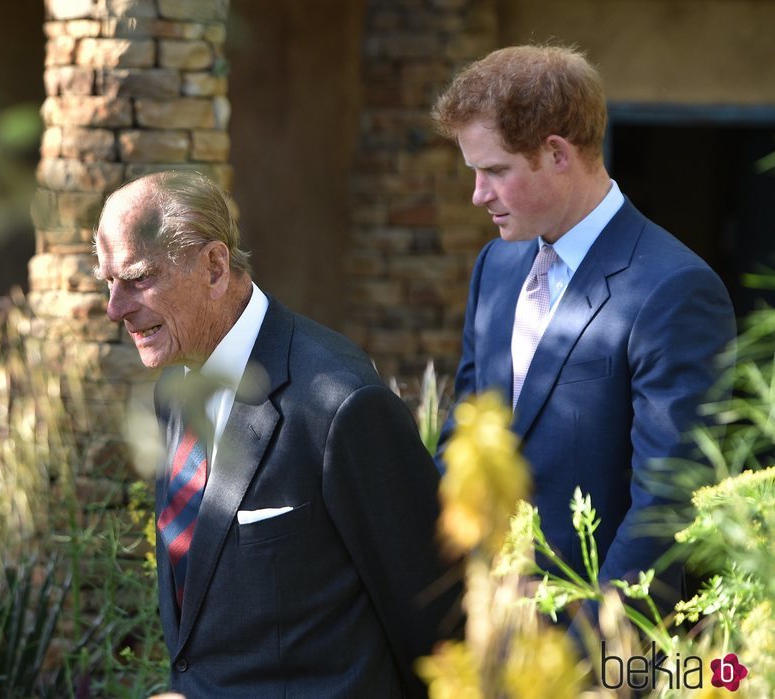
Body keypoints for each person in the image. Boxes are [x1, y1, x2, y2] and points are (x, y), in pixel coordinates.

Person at [93, 171, 458, 698]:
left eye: (138, 278)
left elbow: (437, 624)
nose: (115, 308)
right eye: (109, 282)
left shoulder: (340, 404)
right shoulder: (175, 385)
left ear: (215, 267)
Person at [431, 45, 736, 615]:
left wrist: (588, 658)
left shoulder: (675, 290)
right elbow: (464, 437)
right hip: (479, 631)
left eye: (495, 170)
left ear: (556, 154)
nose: (478, 194)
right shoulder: (495, 268)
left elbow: (665, 508)